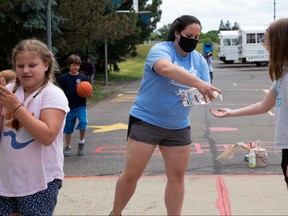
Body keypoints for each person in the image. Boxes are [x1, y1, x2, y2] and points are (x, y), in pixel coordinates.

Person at [110, 15, 221, 216]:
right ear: (177, 33)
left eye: (197, 37)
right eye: (189, 35)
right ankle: (115, 213)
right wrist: (197, 83)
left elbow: (204, 92)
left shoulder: (198, 60)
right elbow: (165, 68)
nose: (193, 40)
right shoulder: (161, 49)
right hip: (147, 120)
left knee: (177, 176)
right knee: (132, 174)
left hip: (178, 125)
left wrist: (200, 95)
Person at [210, 18, 288, 189]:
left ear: (280, 42)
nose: (265, 45)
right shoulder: (282, 74)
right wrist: (231, 112)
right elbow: (264, 105)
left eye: (267, 41)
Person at [0, 39, 69, 215]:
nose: (25, 70)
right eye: (20, 65)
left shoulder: (52, 94)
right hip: (7, 178)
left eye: (32, 65)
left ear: (46, 65)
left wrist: (16, 108)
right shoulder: (9, 91)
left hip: (39, 181)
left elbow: (47, 137)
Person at [59, 54, 91, 157]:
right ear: (69, 65)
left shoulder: (83, 78)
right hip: (68, 107)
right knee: (68, 128)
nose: (76, 67)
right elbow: (60, 91)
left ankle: (81, 142)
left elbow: (89, 91)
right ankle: (67, 146)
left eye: (77, 65)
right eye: (73, 65)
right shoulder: (64, 78)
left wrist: (89, 94)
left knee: (83, 122)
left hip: (81, 105)